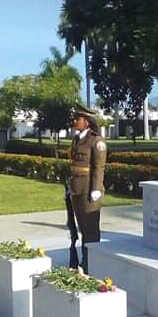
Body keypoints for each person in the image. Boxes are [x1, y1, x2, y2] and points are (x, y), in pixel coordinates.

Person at [69, 103, 107, 274]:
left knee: (90, 230)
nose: (74, 121)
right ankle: (84, 261)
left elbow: (99, 166)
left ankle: (91, 263)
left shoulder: (96, 141)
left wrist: (96, 188)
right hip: (77, 189)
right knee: (81, 228)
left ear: (87, 121)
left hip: (89, 190)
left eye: (77, 119)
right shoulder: (77, 139)